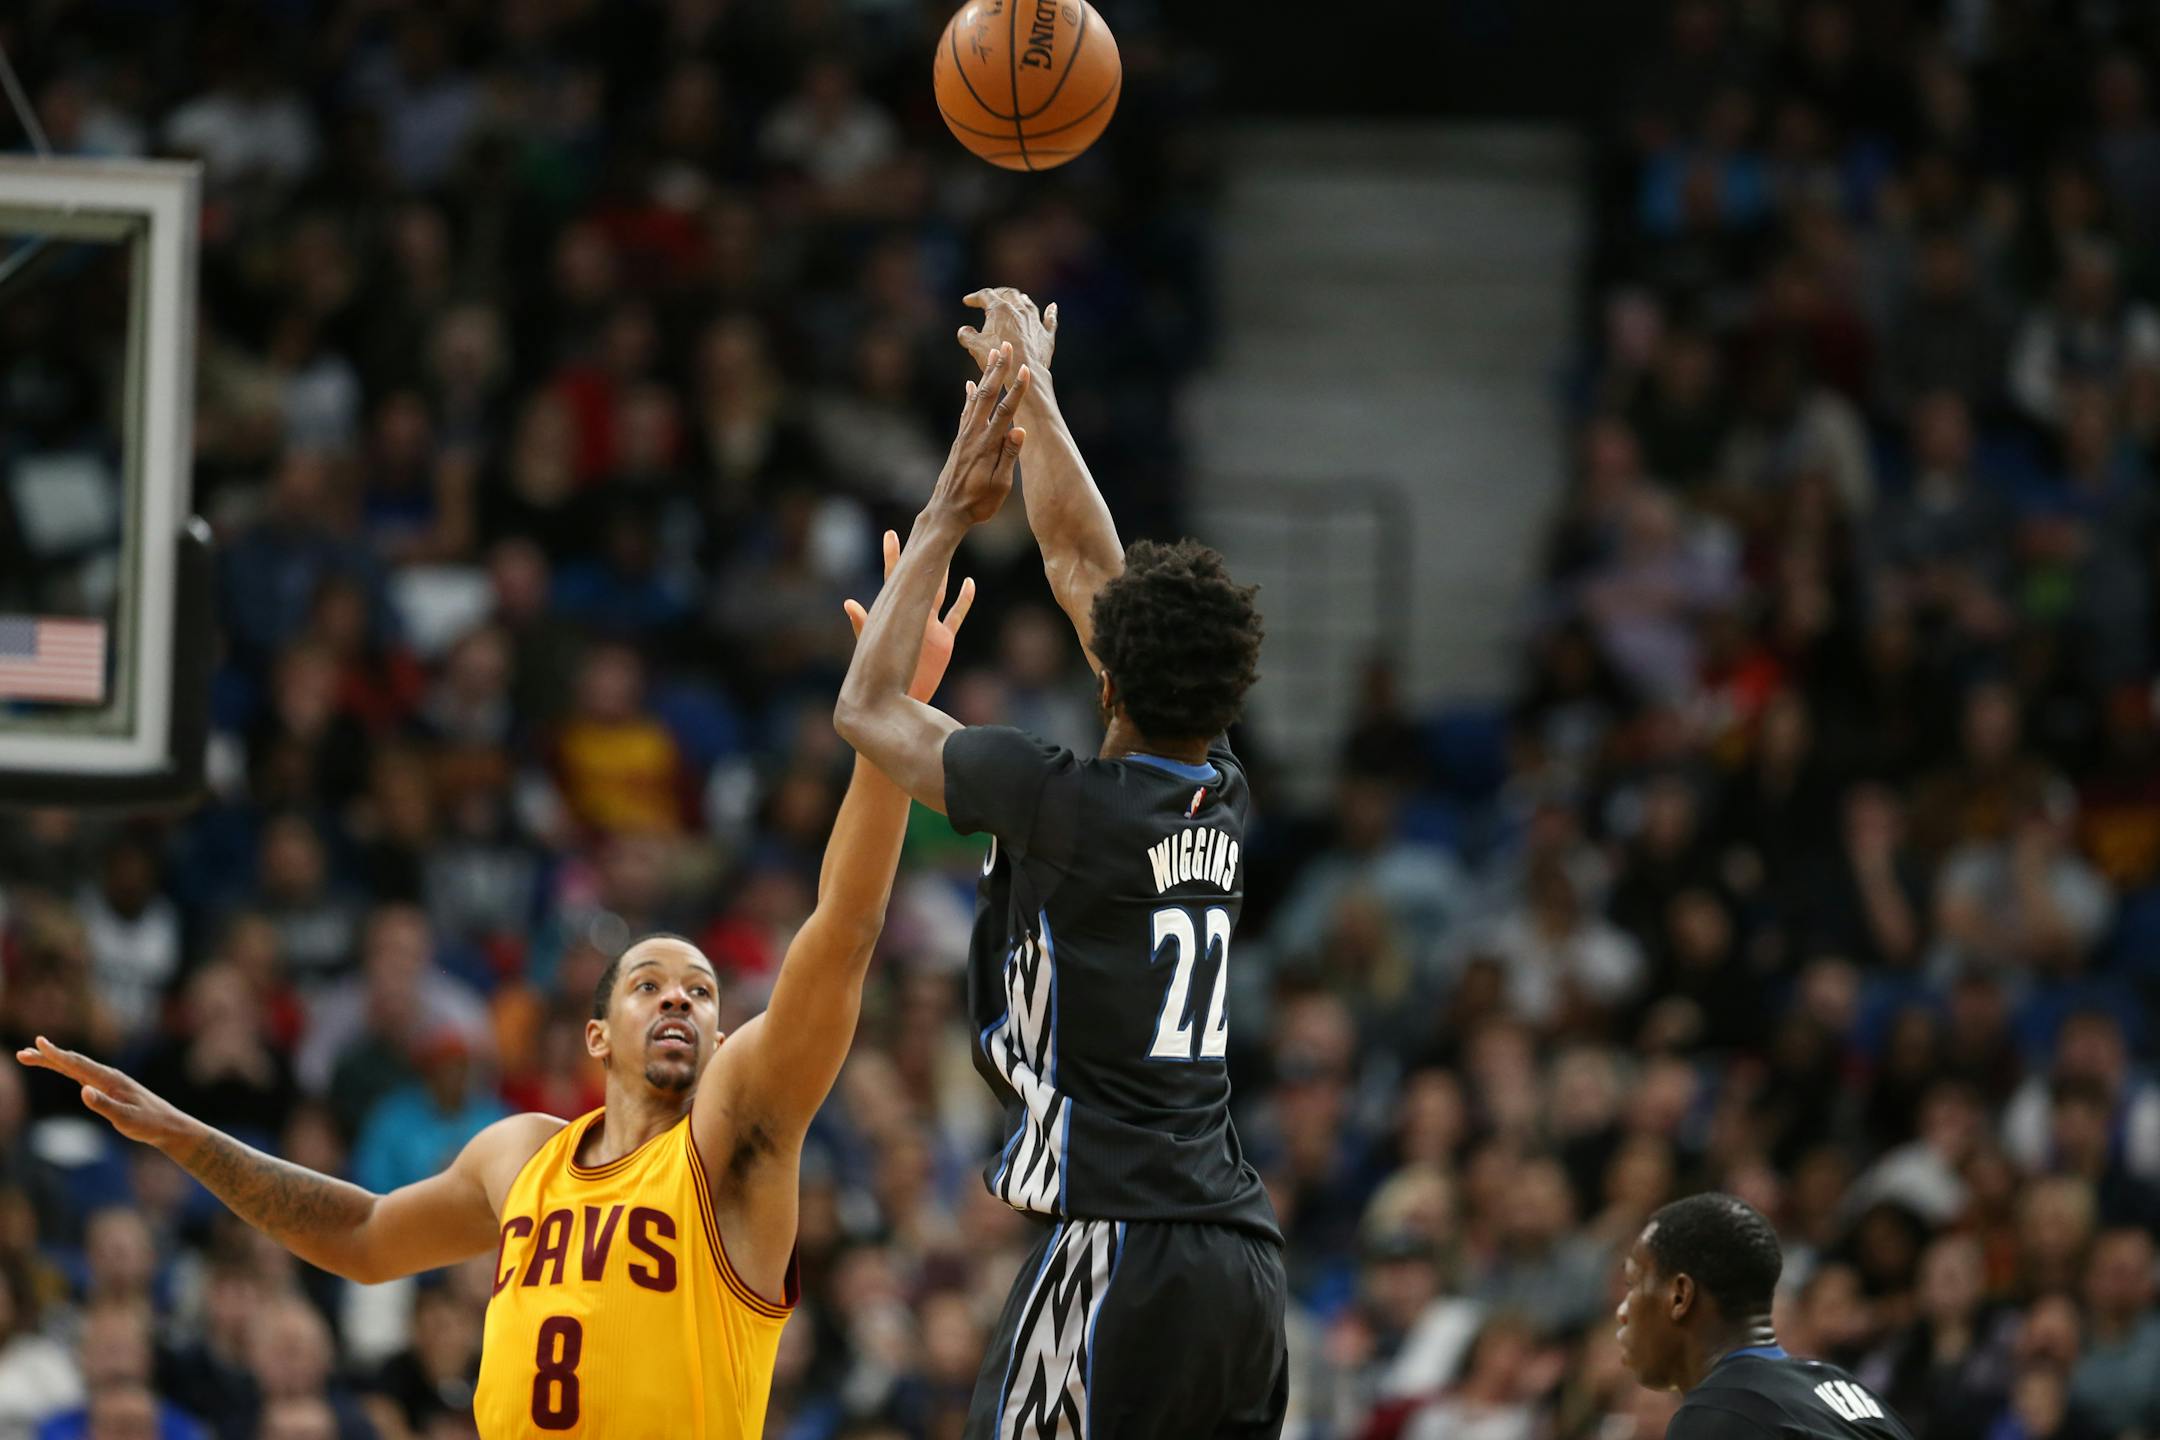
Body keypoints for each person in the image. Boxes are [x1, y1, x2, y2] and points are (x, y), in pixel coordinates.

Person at [16, 526, 984, 1440]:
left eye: (700, 991)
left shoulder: (733, 1140)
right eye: (649, 984)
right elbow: (362, 1234)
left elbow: (842, 933)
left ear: (723, 1039)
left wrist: (889, 725)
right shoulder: (520, 1155)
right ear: (596, 1035)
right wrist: (186, 1136)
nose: (679, 999)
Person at [835, 306, 1287, 1438]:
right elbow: (1090, 568)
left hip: (1118, 1243)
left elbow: (868, 708)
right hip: (1242, 1265)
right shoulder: (1223, 791)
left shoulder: (1063, 803)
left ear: (1107, 681)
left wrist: (948, 508)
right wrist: (1032, 393)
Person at [1617, 1193, 1915, 1438]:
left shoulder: (1718, 1414)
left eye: (1632, 1285)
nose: (1622, 1312)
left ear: (1680, 1296)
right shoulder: (1845, 1389)